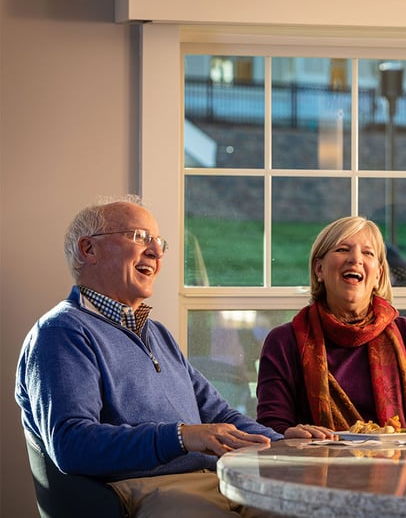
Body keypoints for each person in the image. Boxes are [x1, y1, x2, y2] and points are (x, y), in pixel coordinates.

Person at [14, 195, 324, 517]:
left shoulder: (157, 333)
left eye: (158, 242)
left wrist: (283, 443)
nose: (156, 251)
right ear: (88, 249)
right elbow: (71, 444)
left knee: (310, 510)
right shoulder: (62, 332)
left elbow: (219, 414)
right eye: (138, 237)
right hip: (146, 490)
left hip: (220, 480)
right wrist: (180, 436)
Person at [257, 216, 406, 433]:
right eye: (342, 249)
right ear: (319, 269)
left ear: (379, 275)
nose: (355, 259)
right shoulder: (285, 342)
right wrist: (288, 435)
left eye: (368, 253)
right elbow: (271, 426)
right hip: (320, 465)